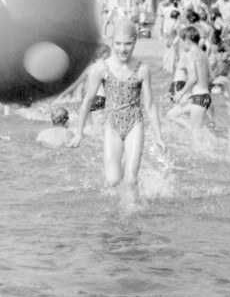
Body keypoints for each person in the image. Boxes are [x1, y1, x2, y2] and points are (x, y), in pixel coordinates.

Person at [69, 21, 165, 192]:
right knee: (113, 180)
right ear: (112, 42)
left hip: (134, 124)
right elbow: (88, 100)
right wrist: (79, 133)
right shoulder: (102, 68)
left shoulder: (142, 69)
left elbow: (150, 105)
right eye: (118, 44)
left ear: (135, 42)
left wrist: (158, 137)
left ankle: (133, 213)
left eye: (128, 43)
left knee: (130, 180)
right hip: (111, 125)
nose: (123, 49)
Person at [166, 27, 212, 134]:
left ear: (187, 41)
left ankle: (210, 146)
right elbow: (212, 77)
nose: (181, 45)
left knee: (196, 134)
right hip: (202, 96)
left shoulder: (190, 54)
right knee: (171, 115)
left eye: (181, 42)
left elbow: (193, 78)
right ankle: (193, 131)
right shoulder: (204, 54)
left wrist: (180, 94)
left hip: (199, 97)